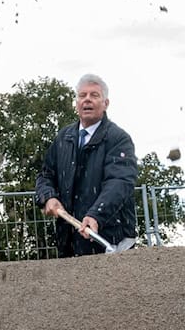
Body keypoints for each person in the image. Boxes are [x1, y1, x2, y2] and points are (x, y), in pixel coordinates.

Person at [35, 74, 138, 257]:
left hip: (108, 238)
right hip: (69, 242)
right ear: (76, 103)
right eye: (82, 95)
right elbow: (46, 175)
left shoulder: (118, 139)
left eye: (94, 95)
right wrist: (48, 197)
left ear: (106, 103)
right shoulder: (64, 138)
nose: (87, 100)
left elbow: (120, 182)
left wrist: (96, 215)